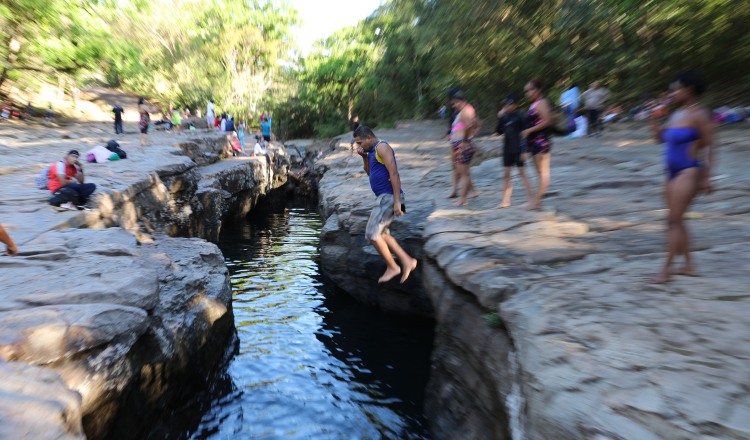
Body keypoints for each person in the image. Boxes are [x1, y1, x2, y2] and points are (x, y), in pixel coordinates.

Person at [648, 72, 716, 284]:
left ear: (689, 90)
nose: (673, 93)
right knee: (676, 220)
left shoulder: (700, 115)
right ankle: (688, 265)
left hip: (689, 171)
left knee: (674, 221)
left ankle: (665, 271)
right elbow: (660, 139)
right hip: (671, 172)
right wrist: (654, 121)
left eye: (677, 89)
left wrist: (707, 176)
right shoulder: (675, 114)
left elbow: (712, 145)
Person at [354, 125, 418, 283]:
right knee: (382, 234)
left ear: (369, 137)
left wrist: (397, 202)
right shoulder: (372, 152)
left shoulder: (382, 147)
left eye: (360, 143)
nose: (359, 146)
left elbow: (394, 172)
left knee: (372, 234)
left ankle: (393, 267)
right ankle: (407, 261)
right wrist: (363, 157)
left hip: (390, 198)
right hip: (385, 198)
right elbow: (370, 173)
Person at [521, 79, 553, 210]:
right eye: (526, 91)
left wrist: (529, 130)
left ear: (538, 90)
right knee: (539, 173)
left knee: (543, 173)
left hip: (541, 141)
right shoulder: (535, 104)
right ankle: (536, 201)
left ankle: (536, 202)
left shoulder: (542, 103)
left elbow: (547, 121)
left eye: (530, 90)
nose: (527, 93)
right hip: (534, 142)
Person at [496, 95, 533, 209]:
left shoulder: (521, 116)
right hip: (507, 149)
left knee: (522, 173)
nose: (506, 106)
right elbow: (499, 131)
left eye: (508, 104)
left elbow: (526, 134)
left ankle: (531, 199)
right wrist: (500, 118)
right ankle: (505, 201)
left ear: (515, 105)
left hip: (518, 148)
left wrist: (524, 150)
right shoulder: (505, 117)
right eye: (505, 105)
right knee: (506, 174)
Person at [448, 88, 479, 206]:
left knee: (464, 174)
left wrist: (465, 140)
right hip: (461, 143)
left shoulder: (466, 111)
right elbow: (475, 124)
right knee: (463, 172)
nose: (454, 106)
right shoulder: (469, 109)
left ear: (463, 100)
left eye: (456, 103)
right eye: (453, 103)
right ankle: (465, 197)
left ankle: (462, 199)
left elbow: (468, 126)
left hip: (462, 144)